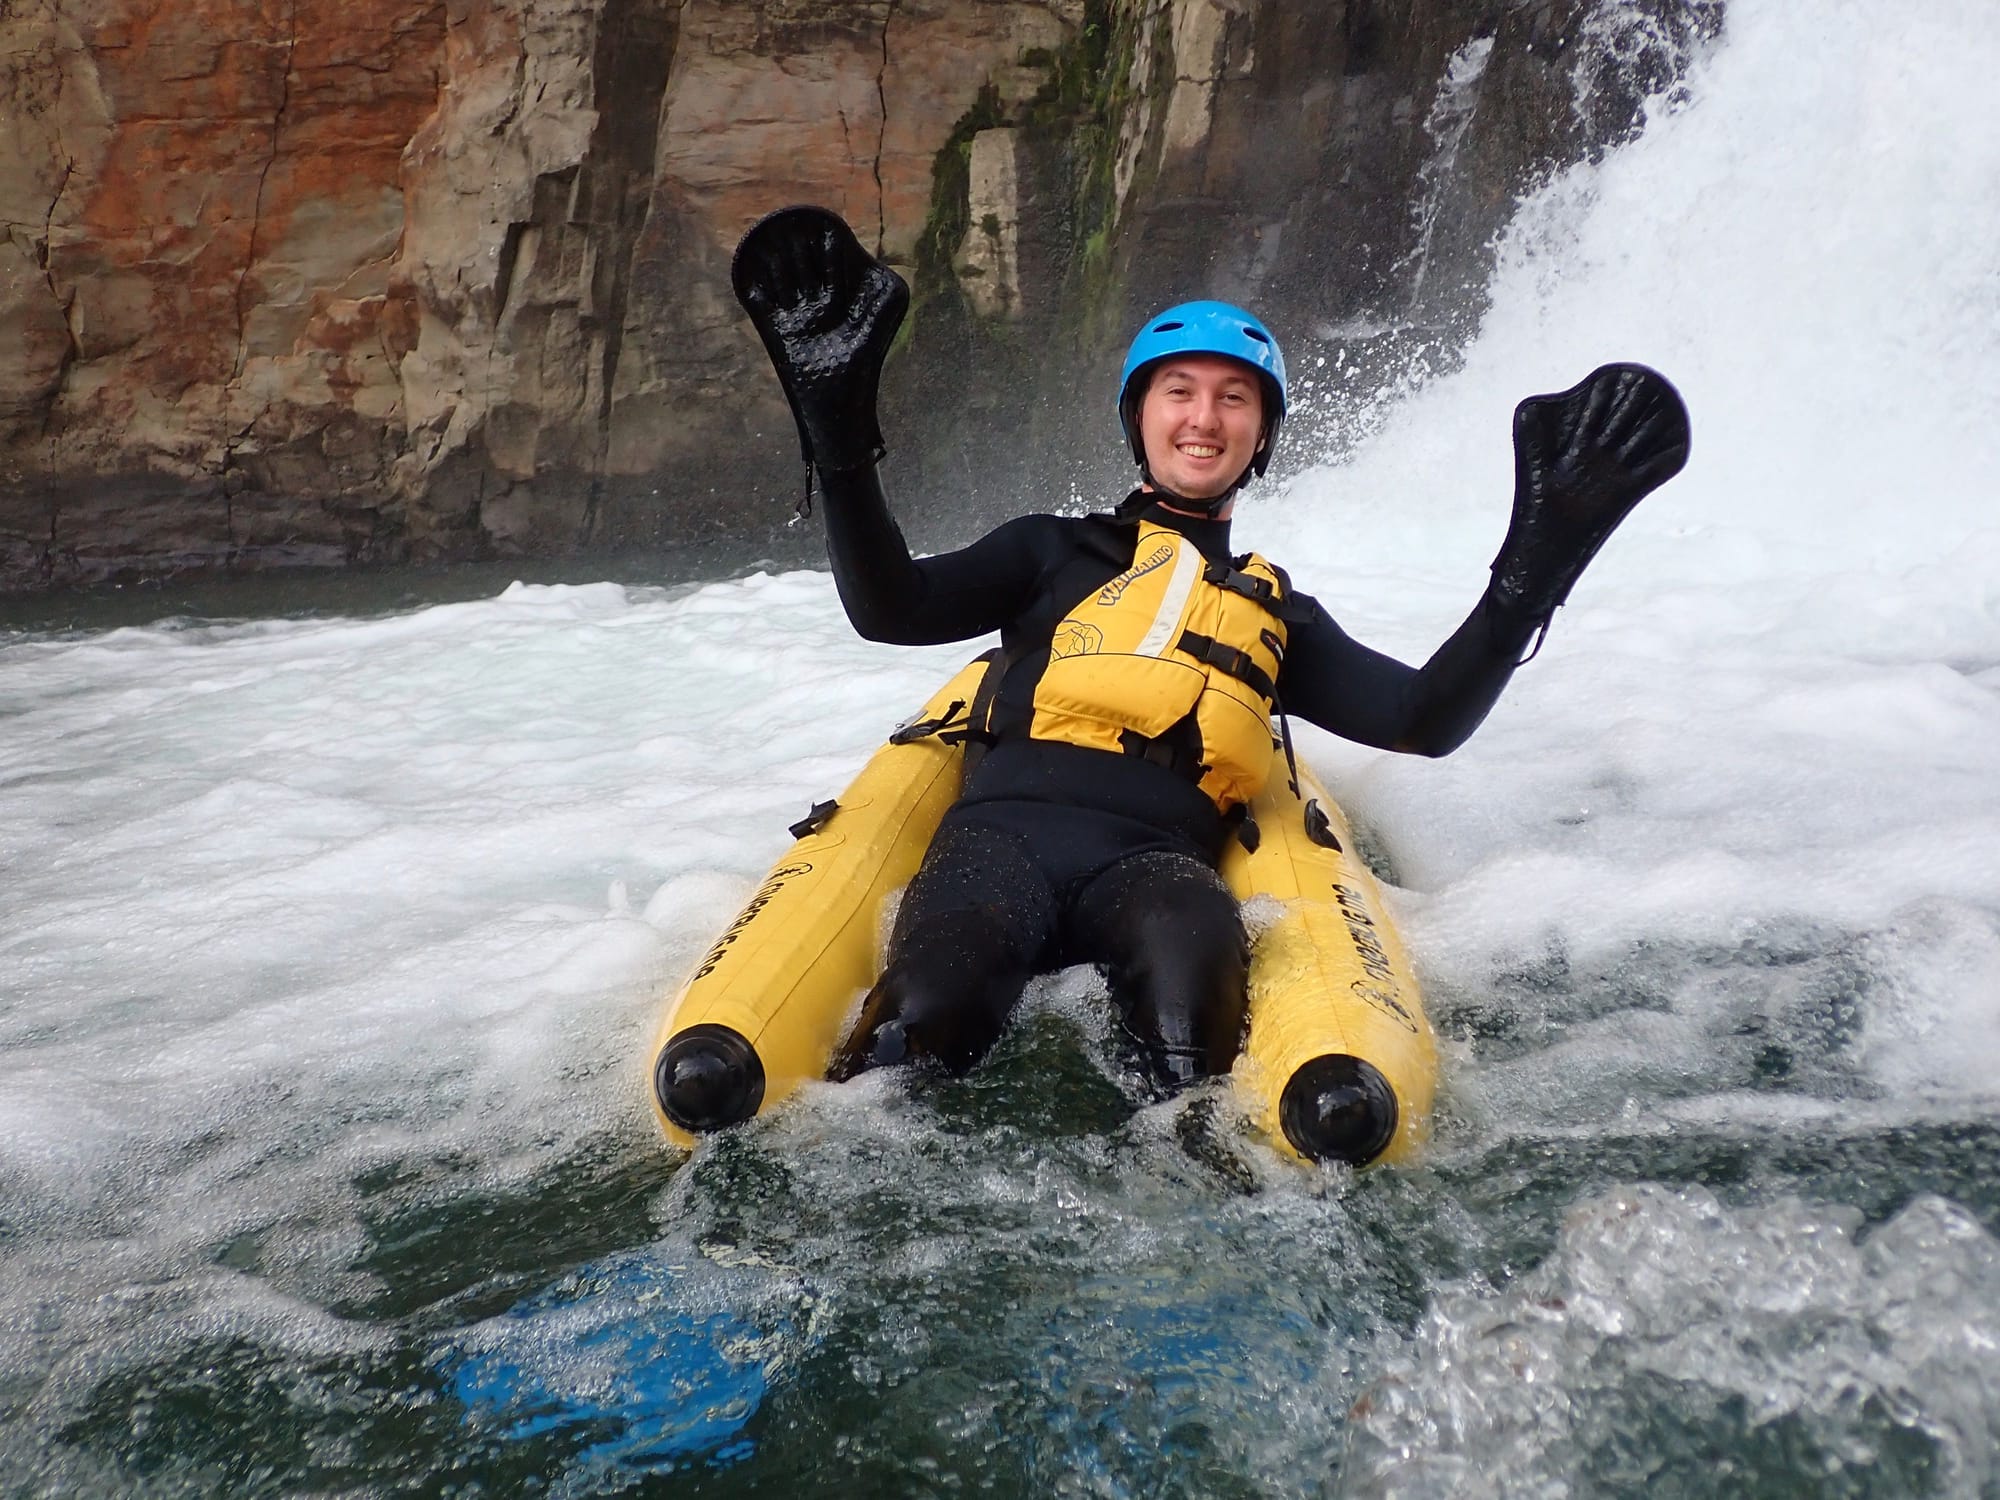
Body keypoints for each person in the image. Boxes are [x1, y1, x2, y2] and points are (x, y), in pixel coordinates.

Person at [730, 205, 1689, 1094]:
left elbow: (1423, 720)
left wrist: (1532, 569)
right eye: (1179, 391)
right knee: (922, 1024)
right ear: (1139, 415)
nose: (1204, 417)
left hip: (1155, 865)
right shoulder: (1049, 550)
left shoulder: (1277, 615)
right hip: (999, 844)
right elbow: (891, 608)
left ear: (1262, 435)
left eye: (1236, 398)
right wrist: (839, 442)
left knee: (1193, 1037)